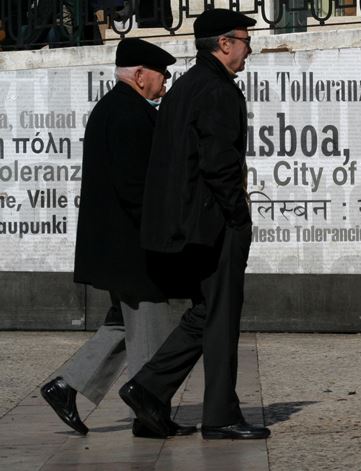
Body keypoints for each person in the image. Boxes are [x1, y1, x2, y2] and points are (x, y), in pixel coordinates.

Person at [119, 8, 270, 440]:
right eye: (244, 40)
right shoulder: (217, 89)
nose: (248, 49)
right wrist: (239, 218)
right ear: (224, 44)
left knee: (207, 312)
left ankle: (148, 388)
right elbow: (219, 163)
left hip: (188, 223)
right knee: (221, 317)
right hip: (213, 223)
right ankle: (220, 415)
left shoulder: (186, 86)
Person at [40, 38, 196, 439]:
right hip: (132, 248)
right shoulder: (128, 114)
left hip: (117, 247)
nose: (166, 82)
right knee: (150, 330)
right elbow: (135, 187)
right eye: (162, 75)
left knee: (121, 326)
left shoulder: (116, 108)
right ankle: (149, 412)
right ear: (141, 75)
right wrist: (167, 235)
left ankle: (65, 386)